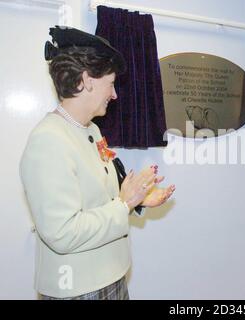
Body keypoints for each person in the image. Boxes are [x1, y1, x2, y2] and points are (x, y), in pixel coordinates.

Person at [19, 26, 175, 300]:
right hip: (78, 289)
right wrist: (124, 204)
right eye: (111, 83)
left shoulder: (90, 130)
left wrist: (137, 199)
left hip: (108, 275)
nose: (114, 94)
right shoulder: (48, 140)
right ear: (87, 80)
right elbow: (62, 232)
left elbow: (94, 197)